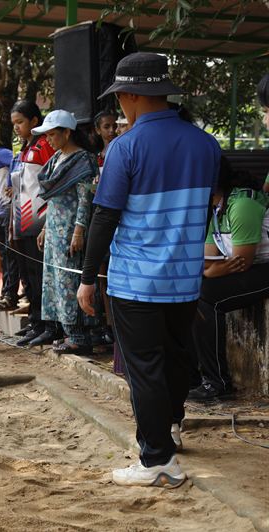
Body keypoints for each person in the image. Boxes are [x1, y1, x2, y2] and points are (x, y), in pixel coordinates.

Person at [78, 53, 221, 488]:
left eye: (120, 96)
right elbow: (206, 206)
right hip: (185, 278)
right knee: (177, 359)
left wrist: (87, 278)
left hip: (136, 280)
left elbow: (105, 216)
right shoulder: (206, 145)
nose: (120, 105)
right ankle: (170, 429)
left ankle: (157, 460)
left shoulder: (126, 147)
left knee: (144, 369)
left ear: (132, 95)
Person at [188, 168, 269, 401]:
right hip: (249, 266)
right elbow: (205, 259)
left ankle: (217, 383)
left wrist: (212, 270)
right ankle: (193, 376)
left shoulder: (242, 203)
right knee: (189, 289)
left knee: (206, 296)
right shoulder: (217, 208)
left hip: (263, 266)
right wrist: (211, 270)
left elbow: (242, 262)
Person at [32, 110, 98, 355]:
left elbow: (85, 199)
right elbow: (53, 199)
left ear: (67, 133)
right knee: (55, 280)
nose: (48, 140)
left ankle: (79, 336)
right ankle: (66, 331)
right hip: (54, 230)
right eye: (46, 135)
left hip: (71, 230)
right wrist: (45, 227)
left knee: (70, 280)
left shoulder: (83, 160)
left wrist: (79, 231)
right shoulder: (56, 159)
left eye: (52, 134)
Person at [9, 101, 56, 347]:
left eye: (20, 122)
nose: (16, 127)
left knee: (40, 275)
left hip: (40, 221)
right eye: (14, 123)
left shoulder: (44, 145)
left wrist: (47, 223)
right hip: (22, 221)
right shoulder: (24, 149)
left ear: (35, 121)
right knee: (28, 276)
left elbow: (53, 183)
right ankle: (36, 322)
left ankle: (49, 326)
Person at [0, 144, 17, 311]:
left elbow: (16, 161)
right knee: (3, 255)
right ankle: (5, 292)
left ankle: (10, 295)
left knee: (10, 253)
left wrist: (11, 183)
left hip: (8, 208)